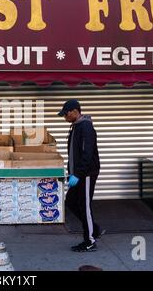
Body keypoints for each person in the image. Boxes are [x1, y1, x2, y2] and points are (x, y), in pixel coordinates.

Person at [58, 99, 104, 252]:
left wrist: (77, 174)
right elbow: (74, 154)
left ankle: (90, 241)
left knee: (85, 207)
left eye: (66, 114)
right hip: (78, 174)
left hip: (86, 174)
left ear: (75, 112)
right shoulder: (76, 127)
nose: (65, 117)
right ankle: (94, 229)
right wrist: (71, 173)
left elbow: (87, 154)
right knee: (70, 202)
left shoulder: (86, 127)